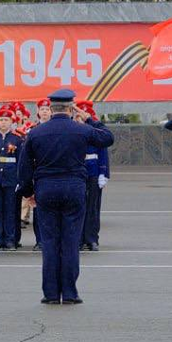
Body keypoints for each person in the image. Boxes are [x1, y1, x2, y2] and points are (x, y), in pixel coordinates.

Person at [18, 88, 115, 304]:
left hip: (46, 189)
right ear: (71, 108)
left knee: (50, 242)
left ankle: (51, 294)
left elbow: (24, 168)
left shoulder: (36, 133)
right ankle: (70, 293)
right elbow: (108, 138)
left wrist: (28, 192)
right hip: (74, 188)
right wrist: (89, 118)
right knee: (70, 242)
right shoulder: (80, 130)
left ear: (50, 108)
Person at [0, 107, 24, 251]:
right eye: (1, 120)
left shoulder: (17, 139)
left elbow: (21, 161)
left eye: (6, 120)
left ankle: (9, 240)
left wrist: (19, 180)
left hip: (11, 179)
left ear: (11, 122)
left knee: (10, 211)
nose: (3, 123)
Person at [77, 101, 109, 251]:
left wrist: (104, 173)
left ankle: (91, 239)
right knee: (77, 207)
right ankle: (78, 238)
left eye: (84, 116)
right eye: (79, 116)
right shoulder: (73, 131)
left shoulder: (96, 133)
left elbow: (103, 153)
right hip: (76, 172)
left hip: (93, 171)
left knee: (92, 208)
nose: (81, 120)